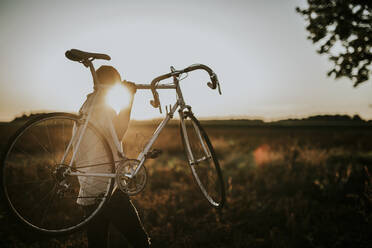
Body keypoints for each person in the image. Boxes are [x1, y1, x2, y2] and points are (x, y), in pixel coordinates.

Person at [74, 65, 151, 248]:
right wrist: (130, 98)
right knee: (140, 242)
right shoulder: (103, 109)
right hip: (108, 190)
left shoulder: (84, 108)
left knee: (97, 244)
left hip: (88, 190)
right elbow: (119, 131)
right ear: (111, 84)